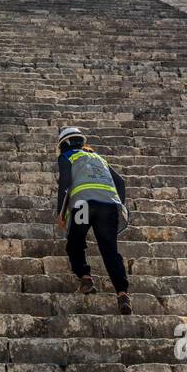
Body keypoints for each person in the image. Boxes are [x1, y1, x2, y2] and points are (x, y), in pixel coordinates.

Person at [54, 125, 132, 314]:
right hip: (109, 206)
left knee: (76, 241)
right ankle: (122, 293)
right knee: (110, 251)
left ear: (64, 144)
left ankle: (85, 277)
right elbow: (120, 182)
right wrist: (119, 204)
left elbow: (65, 183)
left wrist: (61, 212)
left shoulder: (67, 157)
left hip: (84, 205)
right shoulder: (99, 158)